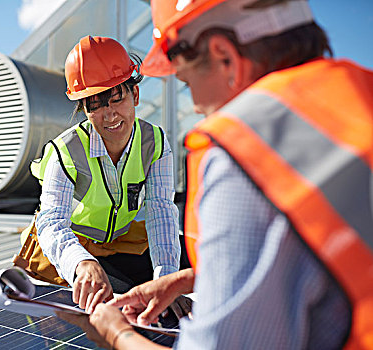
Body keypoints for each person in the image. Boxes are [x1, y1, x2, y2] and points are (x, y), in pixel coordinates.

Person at [60, 0, 373, 349]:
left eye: (186, 79)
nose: (193, 105)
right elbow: (320, 254)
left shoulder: (247, 160)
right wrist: (188, 280)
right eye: (93, 103)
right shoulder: (359, 101)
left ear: (225, 57)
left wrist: (116, 333)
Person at [20, 35, 185, 314]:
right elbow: (51, 223)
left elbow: (160, 211)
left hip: (120, 242)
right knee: (106, 304)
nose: (108, 115)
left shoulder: (155, 143)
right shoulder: (65, 151)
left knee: (177, 275)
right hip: (73, 245)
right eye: (94, 105)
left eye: (115, 98)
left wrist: (166, 278)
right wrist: (81, 263)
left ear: (134, 94)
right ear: (83, 109)